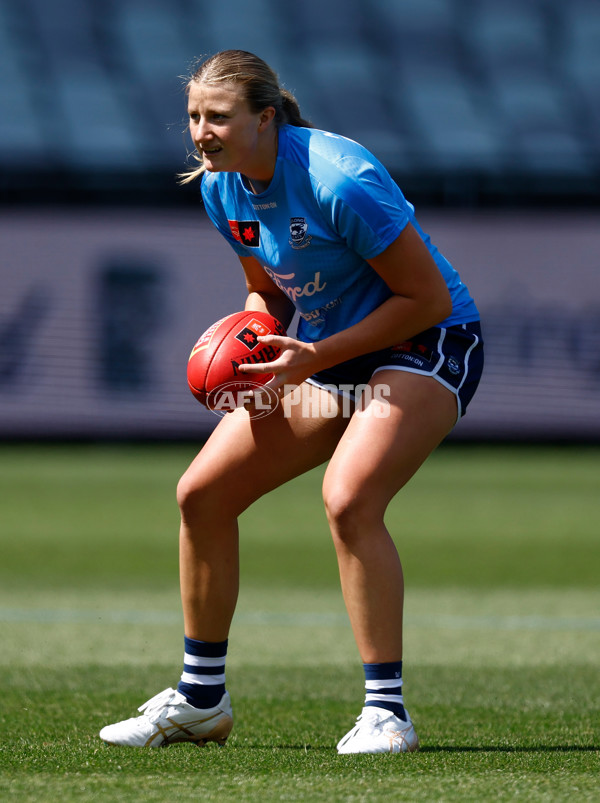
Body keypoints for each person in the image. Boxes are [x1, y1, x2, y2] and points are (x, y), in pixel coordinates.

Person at [99, 49, 484, 754]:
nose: (201, 132)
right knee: (202, 494)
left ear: (266, 118)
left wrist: (312, 358)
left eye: (218, 117)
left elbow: (423, 299)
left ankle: (385, 713)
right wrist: (255, 345)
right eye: (193, 117)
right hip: (331, 352)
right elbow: (270, 294)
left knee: (350, 497)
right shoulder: (224, 185)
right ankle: (200, 700)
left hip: (428, 343)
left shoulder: (341, 177)